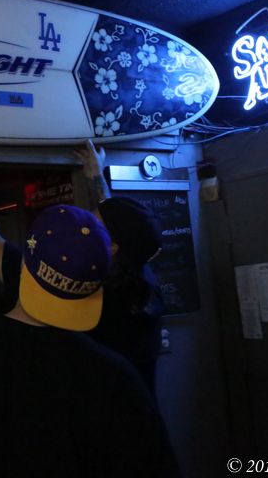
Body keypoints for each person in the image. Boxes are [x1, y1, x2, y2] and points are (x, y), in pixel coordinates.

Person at [0, 128, 180, 477]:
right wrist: (95, 179)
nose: (88, 230)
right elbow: (117, 238)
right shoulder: (141, 292)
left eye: (95, 227)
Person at [74, 140, 166, 394]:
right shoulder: (137, 270)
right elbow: (116, 222)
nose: (83, 229)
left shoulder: (116, 305)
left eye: (91, 227)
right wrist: (95, 175)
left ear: (112, 247)